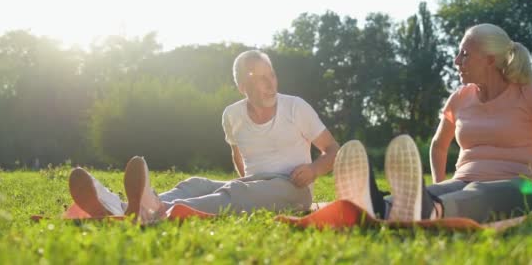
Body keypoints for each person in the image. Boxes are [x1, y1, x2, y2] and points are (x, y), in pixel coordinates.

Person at [334, 23, 532, 222]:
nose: (456, 61)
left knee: (478, 191)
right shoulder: (460, 98)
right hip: (462, 180)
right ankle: (382, 207)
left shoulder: (529, 96)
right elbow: (439, 145)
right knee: (445, 190)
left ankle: (431, 209)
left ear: (490, 59)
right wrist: (440, 183)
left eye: (465, 54)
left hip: (526, 188)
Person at [68, 50, 340, 222]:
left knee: (237, 191)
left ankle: (155, 210)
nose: (271, 84)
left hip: (293, 189)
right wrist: (245, 184)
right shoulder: (231, 116)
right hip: (253, 185)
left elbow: (332, 149)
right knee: (196, 183)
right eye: (261, 78)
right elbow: (237, 155)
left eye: (272, 75)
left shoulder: (296, 107)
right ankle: (120, 206)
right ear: (242, 86)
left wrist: (315, 169)